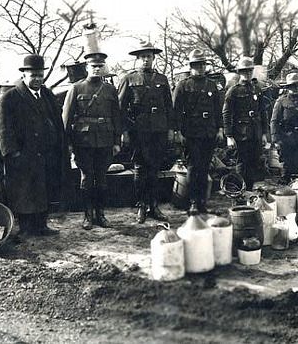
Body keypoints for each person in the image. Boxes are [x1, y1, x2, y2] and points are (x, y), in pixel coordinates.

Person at [0, 54, 67, 237]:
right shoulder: (9, 98)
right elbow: (3, 129)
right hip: (23, 154)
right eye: (33, 75)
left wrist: (60, 146)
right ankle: (26, 228)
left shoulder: (48, 95)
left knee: (42, 189)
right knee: (25, 192)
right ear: (24, 75)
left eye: (40, 75)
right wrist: (13, 154)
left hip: (45, 153)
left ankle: (41, 226)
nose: (37, 79)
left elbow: (57, 122)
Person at [118, 41, 175, 224]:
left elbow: (169, 106)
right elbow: (120, 108)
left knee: (155, 169)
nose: (145, 60)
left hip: (158, 130)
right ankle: (141, 206)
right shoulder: (129, 79)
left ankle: (154, 205)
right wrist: (125, 131)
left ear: (153, 58)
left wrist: (170, 129)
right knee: (140, 169)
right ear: (138, 59)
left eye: (148, 56)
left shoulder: (162, 79)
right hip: (138, 132)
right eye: (142, 57)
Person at [62, 52, 121, 230]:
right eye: (93, 66)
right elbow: (66, 118)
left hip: (105, 139)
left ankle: (100, 214)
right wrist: (68, 144)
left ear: (103, 68)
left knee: (102, 179)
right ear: (87, 68)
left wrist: (117, 140)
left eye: (100, 66)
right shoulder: (76, 88)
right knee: (86, 178)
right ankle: (88, 215)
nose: (96, 69)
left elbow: (116, 116)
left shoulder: (110, 90)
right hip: (83, 141)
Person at [172, 49, 224, 213]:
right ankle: (193, 202)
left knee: (205, 167)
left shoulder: (211, 85)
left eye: (202, 65)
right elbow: (176, 110)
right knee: (193, 168)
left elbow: (218, 109)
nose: (200, 68)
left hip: (209, 131)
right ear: (191, 66)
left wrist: (220, 128)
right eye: (196, 65)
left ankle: (202, 202)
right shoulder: (183, 85)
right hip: (191, 133)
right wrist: (178, 132)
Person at [222, 57, 269, 190]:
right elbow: (226, 114)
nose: (247, 74)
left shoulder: (257, 89)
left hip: (256, 132)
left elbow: (263, 112)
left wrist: (264, 133)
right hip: (241, 133)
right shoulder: (233, 91)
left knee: (254, 162)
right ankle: (239, 192)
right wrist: (229, 136)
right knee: (242, 164)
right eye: (244, 71)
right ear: (239, 72)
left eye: (249, 71)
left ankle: (249, 190)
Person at [271, 73, 298, 183]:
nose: (296, 88)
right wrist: (276, 140)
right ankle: (285, 190)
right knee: (286, 167)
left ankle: (294, 187)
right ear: (288, 87)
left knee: (297, 165)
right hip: (286, 139)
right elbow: (274, 121)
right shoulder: (281, 101)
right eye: (293, 86)